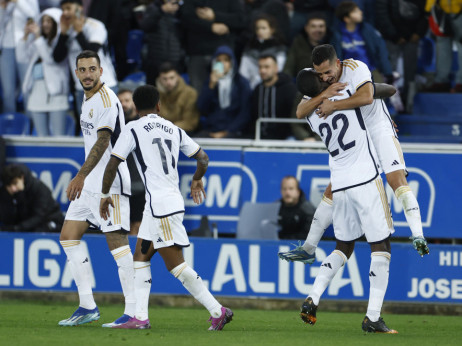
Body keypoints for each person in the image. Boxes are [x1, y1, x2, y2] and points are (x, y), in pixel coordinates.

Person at [279, 45, 429, 265]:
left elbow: (374, 94)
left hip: (377, 127)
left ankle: (418, 234)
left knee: (395, 179)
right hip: (358, 135)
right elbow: (301, 111)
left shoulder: (355, 67)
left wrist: (334, 105)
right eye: (320, 75)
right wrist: (324, 93)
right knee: (333, 189)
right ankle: (309, 247)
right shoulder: (317, 80)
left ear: (337, 63)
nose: (325, 77)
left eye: (328, 73)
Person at [99, 85, 233, 330]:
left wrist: (105, 194)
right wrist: (196, 178)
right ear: (159, 106)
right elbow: (203, 158)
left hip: (161, 206)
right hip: (160, 204)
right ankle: (140, 317)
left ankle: (218, 310)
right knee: (140, 257)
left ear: (136, 108)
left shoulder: (133, 128)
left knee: (175, 265)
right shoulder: (174, 128)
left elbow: (113, 163)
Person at [289, 65, 398, 334]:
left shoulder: (313, 115)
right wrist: (373, 98)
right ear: (320, 83)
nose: (327, 77)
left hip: (339, 184)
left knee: (343, 246)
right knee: (381, 244)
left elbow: (301, 109)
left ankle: (312, 298)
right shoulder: (343, 96)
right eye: (321, 77)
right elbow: (385, 91)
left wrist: (322, 93)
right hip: (365, 178)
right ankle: (373, 317)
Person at [58, 50, 135, 328]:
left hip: (109, 182)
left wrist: (79, 175)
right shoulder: (86, 97)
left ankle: (133, 311)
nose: (88, 74)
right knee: (68, 236)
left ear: (101, 71)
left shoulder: (106, 99)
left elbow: (103, 141)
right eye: (83, 70)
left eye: (92, 69)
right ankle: (87, 306)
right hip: (90, 183)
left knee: (117, 245)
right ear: (76, 73)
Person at [52, 0, 118, 117]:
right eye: (63, 10)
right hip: (81, 87)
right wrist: (63, 34)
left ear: (80, 9)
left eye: (68, 8)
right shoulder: (66, 30)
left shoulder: (95, 26)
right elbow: (57, 58)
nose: (65, 13)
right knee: (87, 128)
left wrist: (79, 33)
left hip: (104, 84)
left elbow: (91, 54)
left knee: (108, 127)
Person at [18, 8, 70, 136]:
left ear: (56, 23)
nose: (45, 24)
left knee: (59, 136)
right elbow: (21, 57)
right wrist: (25, 36)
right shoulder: (38, 41)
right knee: (41, 137)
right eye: (43, 21)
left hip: (56, 94)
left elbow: (50, 59)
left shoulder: (62, 42)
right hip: (36, 93)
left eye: (49, 21)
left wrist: (37, 37)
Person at [181, 0, 246, 92]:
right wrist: (210, 27)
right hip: (197, 53)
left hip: (223, 54)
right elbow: (186, 19)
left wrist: (215, 15)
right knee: (196, 93)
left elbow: (241, 20)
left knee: (224, 92)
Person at [375, 0, 428, 112]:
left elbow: (425, 14)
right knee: (390, 72)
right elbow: (381, 14)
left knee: (411, 71)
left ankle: (408, 104)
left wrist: (418, 33)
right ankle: (387, 106)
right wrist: (394, 36)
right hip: (392, 39)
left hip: (412, 38)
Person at [196, 45, 252, 139]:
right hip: (211, 130)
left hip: (235, 131)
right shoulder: (209, 82)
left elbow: (245, 113)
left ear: (232, 62)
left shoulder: (242, 83)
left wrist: (227, 131)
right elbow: (201, 108)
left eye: (226, 60)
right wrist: (211, 86)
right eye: (219, 61)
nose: (222, 64)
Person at [331, 1, 393, 84]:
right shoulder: (337, 35)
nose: (360, 12)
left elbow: (381, 50)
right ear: (347, 18)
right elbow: (335, 57)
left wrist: (387, 71)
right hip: (348, 75)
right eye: (355, 11)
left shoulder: (367, 30)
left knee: (379, 93)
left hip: (371, 70)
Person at [0, 0, 40, 113]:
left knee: (26, 87)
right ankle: (10, 122)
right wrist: (2, 8)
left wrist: (17, 2)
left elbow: (34, 16)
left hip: (24, 45)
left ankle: (31, 122)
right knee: (8, 91)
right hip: (6, 46)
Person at [0, 164, 64, 232]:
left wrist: (17, 228)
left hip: (50, 222)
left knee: (38, 230)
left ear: (22, 177)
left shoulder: (39, 189)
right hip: (26, 225)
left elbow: (39, 217)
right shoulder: (6, 192)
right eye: (9, 185)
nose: (13, 188)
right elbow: (7, 218)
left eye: (15, 183)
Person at [135, 0, 184, 85]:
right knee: (153, 91)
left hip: (176, 59)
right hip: (155, 60)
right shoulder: (154, 8)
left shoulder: (182, 10)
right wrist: (162, 10)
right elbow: (145, 26)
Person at [117, 88, 144, 235]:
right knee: (121, 225)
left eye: (126, 101)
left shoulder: (143, 124)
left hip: (140, 183)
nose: (123, 104)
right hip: (120, 185)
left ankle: (137, 258)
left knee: (138, 225)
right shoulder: (113, 127)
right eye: (120, 102)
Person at [250, 54, 296, 139]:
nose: (262, 70)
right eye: (260, 67)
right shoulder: (257, 90)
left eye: (267, 67)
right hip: (259, 137)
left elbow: (295, 116)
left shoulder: (289, 88)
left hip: (285, 138)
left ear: (276, 68)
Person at [239, 13, 287, 89]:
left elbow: (279, 70)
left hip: (275, 88)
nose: (260, 31)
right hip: (252, 89)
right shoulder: (249, 49)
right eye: (257, 28)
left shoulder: (279, 49)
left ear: (272, 30)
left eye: (264, 28)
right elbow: (243, 74)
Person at [425, 0, 462, 92]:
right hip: (441, 11)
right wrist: (429, 8)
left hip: (459, 11)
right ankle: (441, 81)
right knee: (442, 46)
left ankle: (460, 82)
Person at [156, 62, 200, 134]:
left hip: (184, 134)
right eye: (164, 79)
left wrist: (167, 128)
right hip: (161, 134)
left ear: (178, 77)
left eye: (172, 78)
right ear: (159, 79)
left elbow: (190, 122)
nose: (168, 82)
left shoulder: (190, 94)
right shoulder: (155, 95)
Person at [283, 12, 328, 78]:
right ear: (306, 28)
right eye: (313, 26)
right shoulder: (298, 43)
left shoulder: (331, 42)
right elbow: (289, 67)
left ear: (325, 28)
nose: (317, 30)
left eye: (321, 26)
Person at [278, 176, 315, 240]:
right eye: (284, 189)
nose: (287, 192)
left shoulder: (308, 210)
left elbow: (309, 236)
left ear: (298, 191)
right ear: (281, 191)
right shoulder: (276, 208)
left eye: (291, 189)